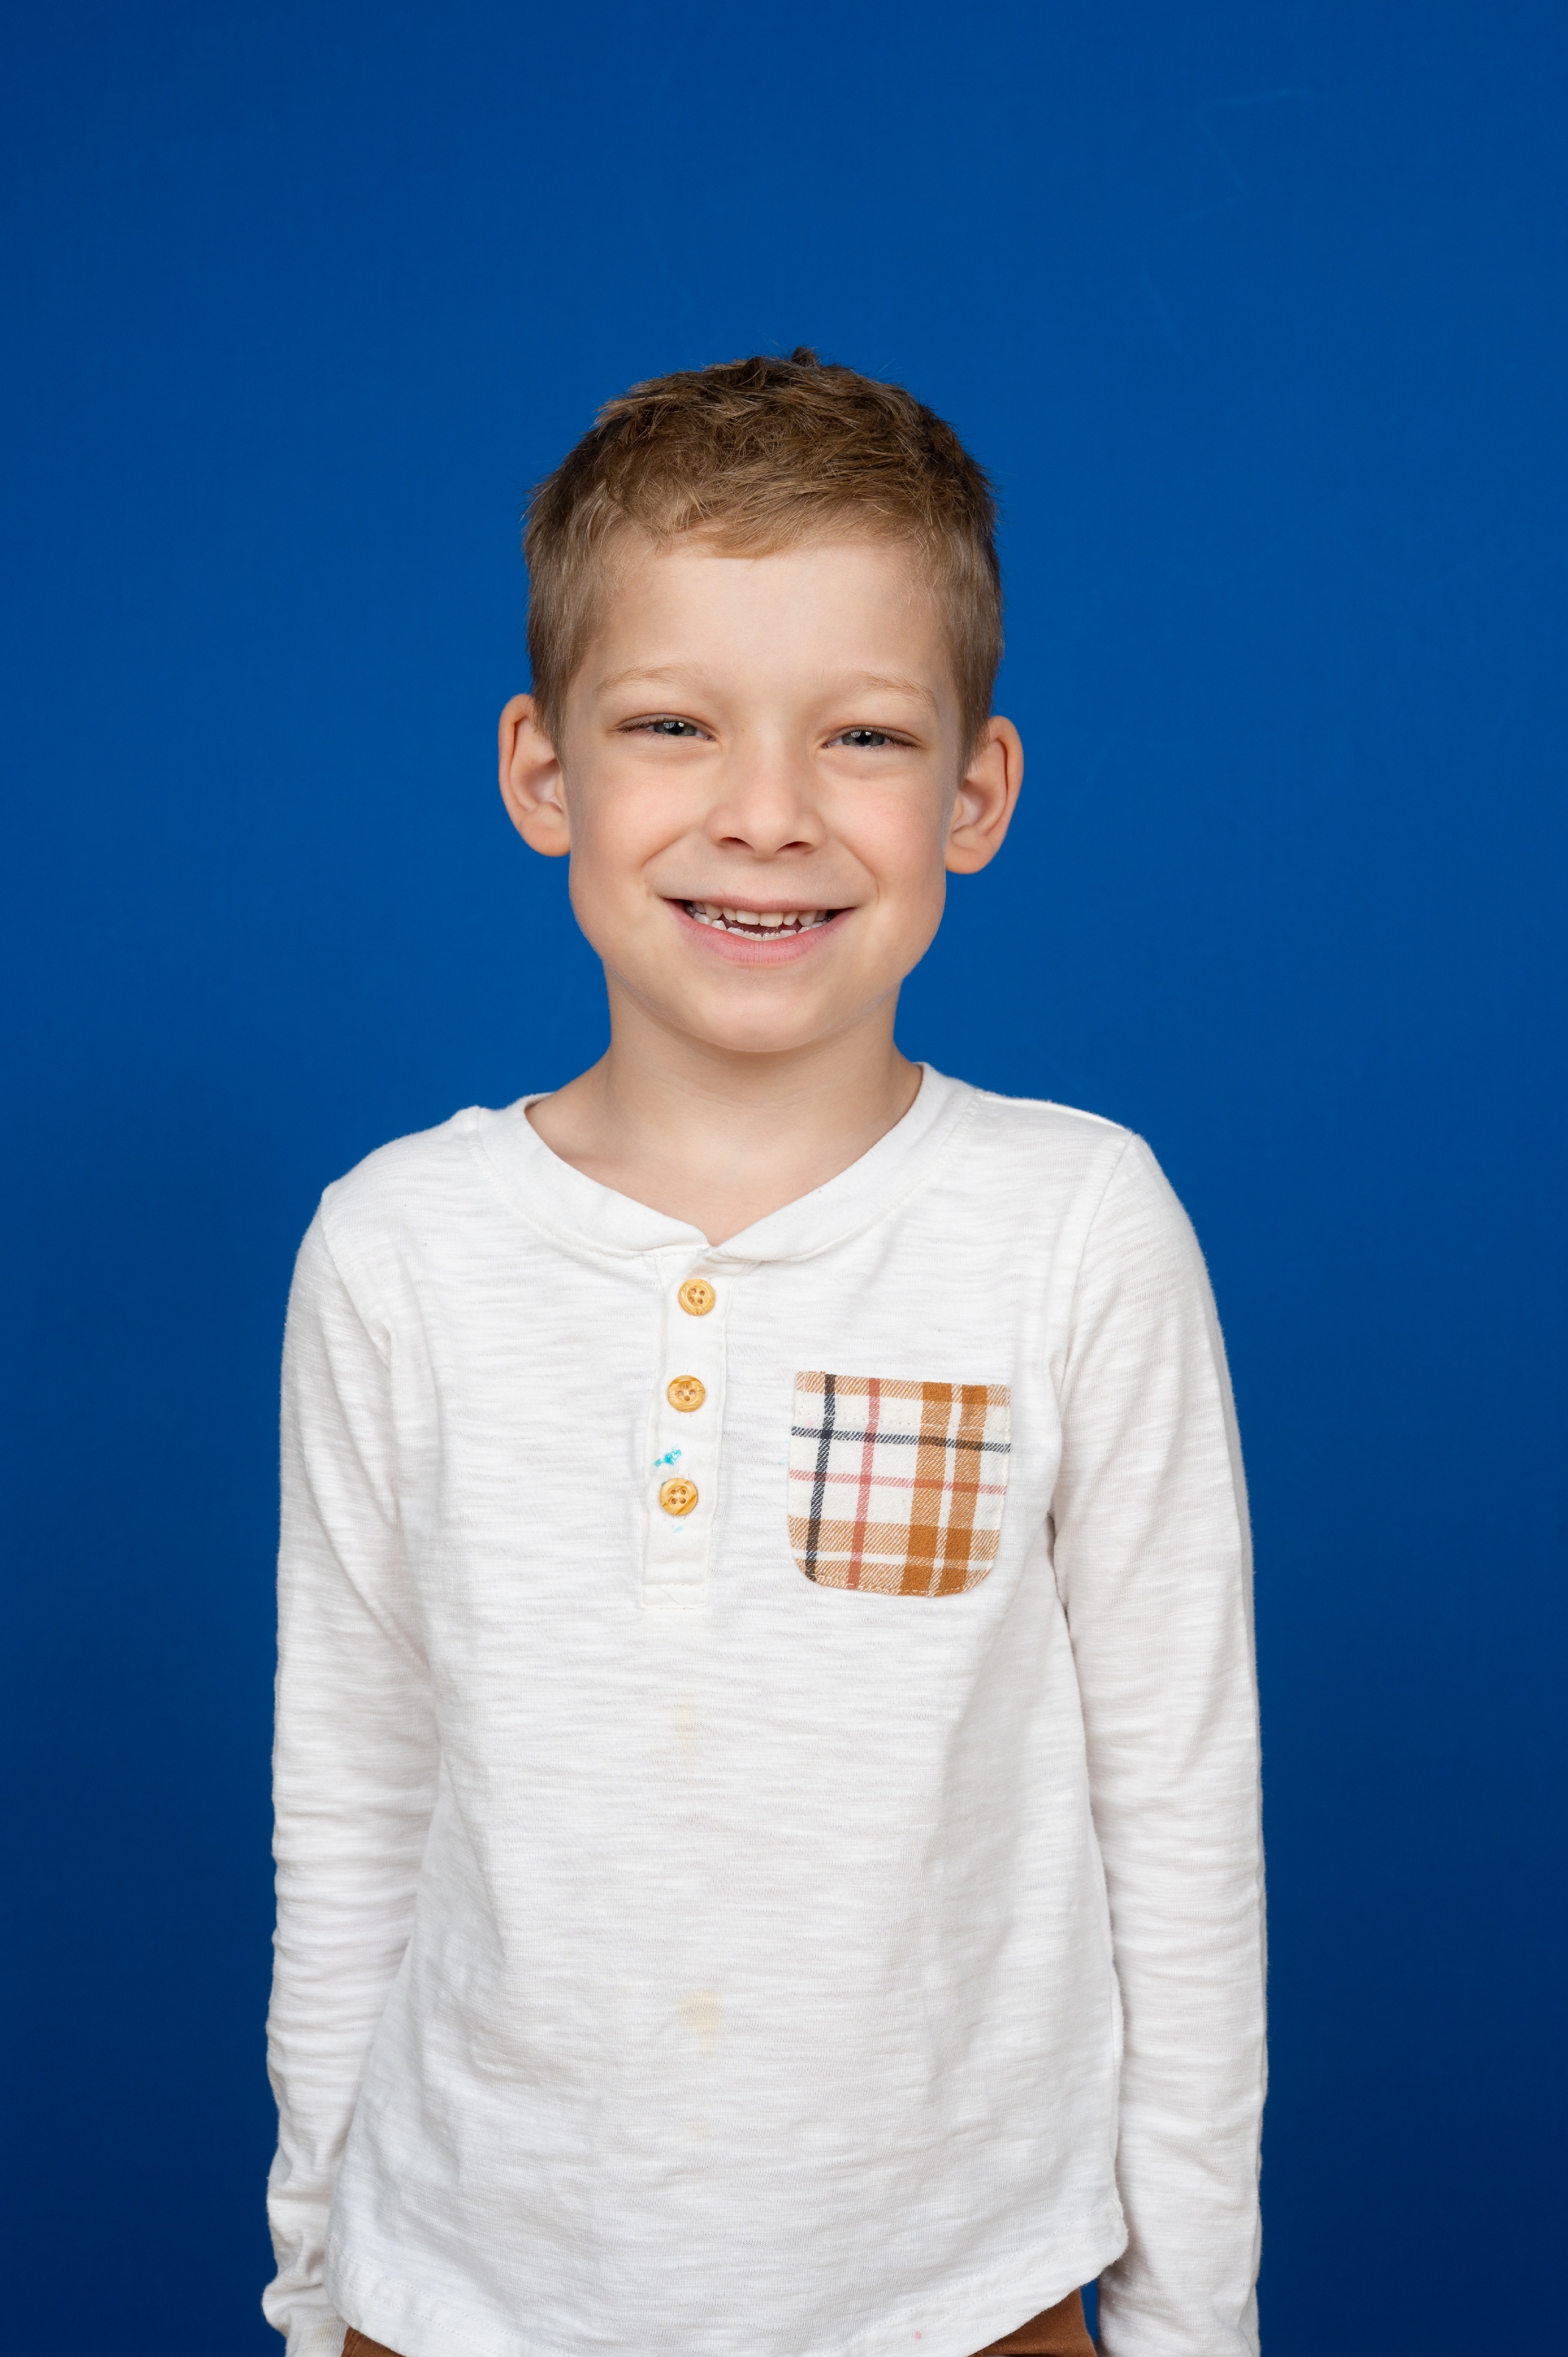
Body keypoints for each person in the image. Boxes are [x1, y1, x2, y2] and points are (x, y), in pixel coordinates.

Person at [264, 351, 1265, 2357]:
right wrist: (315, 2284)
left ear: (975, 792)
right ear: (544, 771)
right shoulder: (398, 1253)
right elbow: (356, 1800)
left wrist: (1190, 2323)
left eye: (863, 734)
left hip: (962, 2300)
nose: (767, 814)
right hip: (460, 2297)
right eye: (673, 724)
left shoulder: (1076, 1229)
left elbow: (1178, 1817)